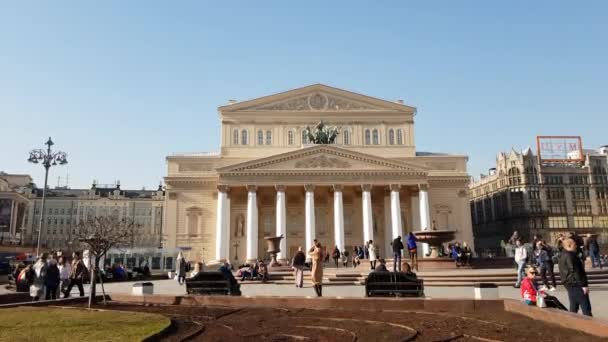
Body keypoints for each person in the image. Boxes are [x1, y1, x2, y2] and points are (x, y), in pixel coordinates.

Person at [559, 238, 592, 316]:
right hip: (576, 284)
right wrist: (583, 285)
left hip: (570, 284)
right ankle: (590, 325)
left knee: (574, 307)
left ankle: (571, 324)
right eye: (574, 244)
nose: (576, 246)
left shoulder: (563, 254)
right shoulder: (570, 255)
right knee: (586, 307)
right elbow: (574, 271)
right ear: (569, 245)